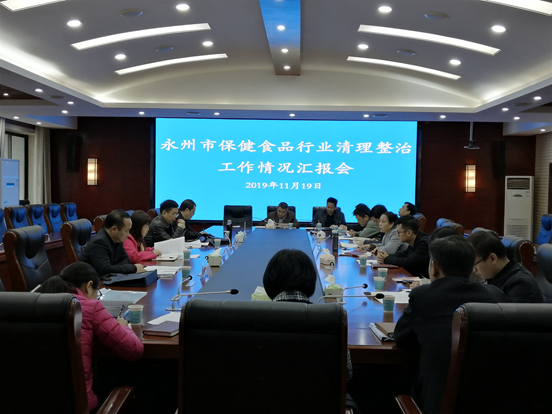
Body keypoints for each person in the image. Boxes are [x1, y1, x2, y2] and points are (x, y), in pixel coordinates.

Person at [394, 236, 506, 414]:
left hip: (436, 402)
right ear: (472, 267)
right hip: (489, 399)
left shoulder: (423, 296)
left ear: (434, 267)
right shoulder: (495, 295)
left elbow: (401, 338)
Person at [38, 262, 144, 412]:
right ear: (89, 286)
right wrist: (123, 326)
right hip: (80, 406)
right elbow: (134, 350)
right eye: (97, 292)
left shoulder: (34, 304)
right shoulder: (90, 308)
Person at [262, 249, 354, 384]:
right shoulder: (331, 319)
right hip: (321, 396)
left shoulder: (256, 320)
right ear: (311, 281)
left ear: (268, 281)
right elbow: (346, 373)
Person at [468, 231, 543, 303]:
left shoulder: (520, 284)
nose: (474, 270)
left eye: (475, 264)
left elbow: (509, 312)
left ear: (493, 258)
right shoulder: (496, 275)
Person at [81, 209, 145, 277]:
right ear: (114, 229)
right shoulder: (99, 243)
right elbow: (105, 270)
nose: (128, 234)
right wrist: (133, 268)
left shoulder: (117, 239)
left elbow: (126, 260)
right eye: (126, 231)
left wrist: (113, 268)